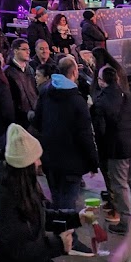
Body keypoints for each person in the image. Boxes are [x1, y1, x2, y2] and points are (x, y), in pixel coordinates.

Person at [0, 124, 91, 262]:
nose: (39, 162)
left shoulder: (26, 185)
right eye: (36, 158)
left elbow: (42, 214)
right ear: (24, 164)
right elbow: (19, 248)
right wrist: (59, 244)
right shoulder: (1, 197)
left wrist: (75, 218)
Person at [33, 55, 98, 209]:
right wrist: (93, 162)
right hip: (72, 163)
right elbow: (85, 135)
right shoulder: (78, 101)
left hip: (50, 158)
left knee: (56, 197)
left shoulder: (46, 92)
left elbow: (37, 122)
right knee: (68, 203)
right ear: (74, 72)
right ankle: (66, 231)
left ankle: (59, 228)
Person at [91, 64, 131, 236]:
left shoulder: (101, 102)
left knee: (120, 186)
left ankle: (126, 222)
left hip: (116, 150)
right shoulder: (127, 97)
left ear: (101, 81)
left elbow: (100, 131)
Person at [4, 38, 38, 128]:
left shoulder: (30, 69)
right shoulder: (8, 72)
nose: (28, 52)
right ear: (15, 51)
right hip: (19, 118)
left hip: (33, 114)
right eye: (24, 49)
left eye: (29, 49)